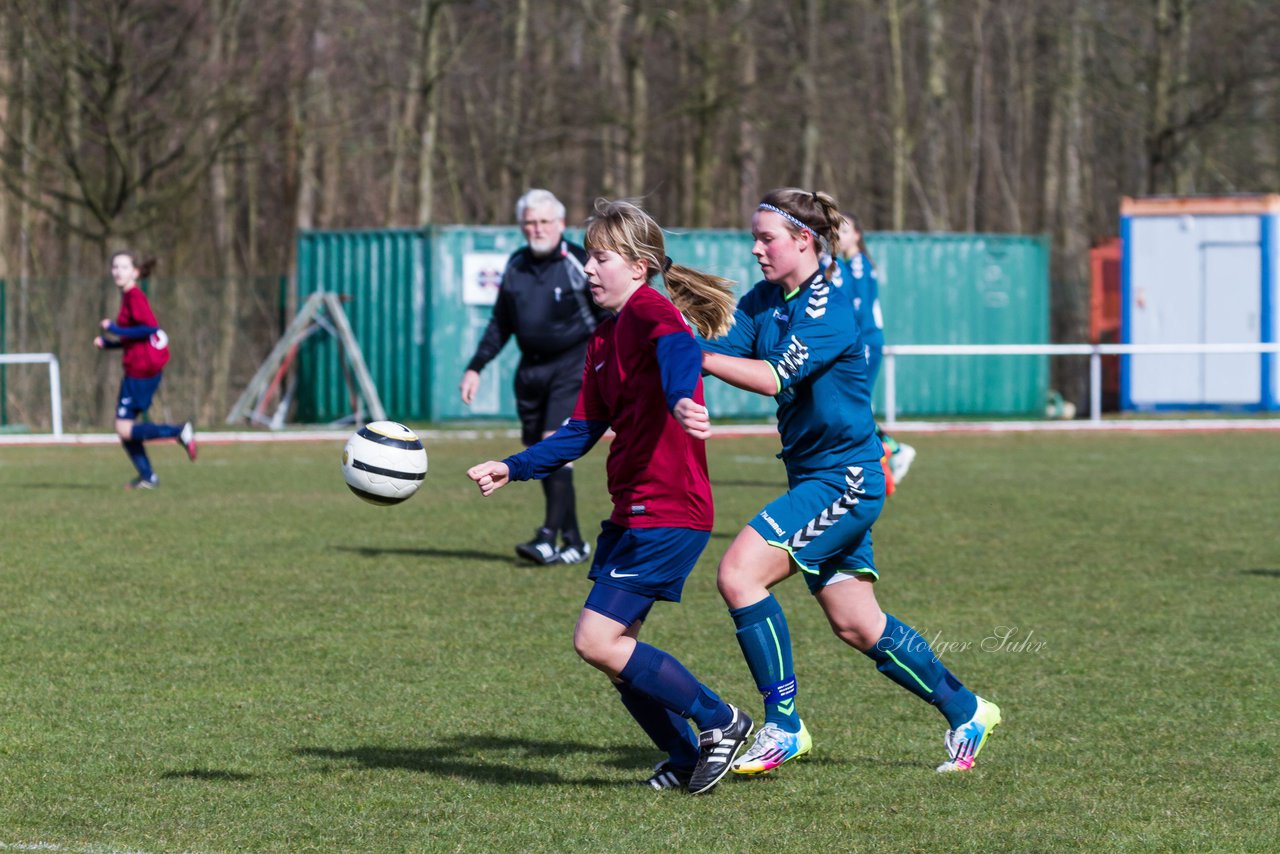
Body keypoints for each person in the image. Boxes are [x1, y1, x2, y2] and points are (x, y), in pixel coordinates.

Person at [699, 188, 1001, 776]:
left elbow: (768, 377)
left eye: (767, 238)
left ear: (803, 240)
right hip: (816, 475)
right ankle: (969, 710)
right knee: (858, 623)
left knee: (738, 574)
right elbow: (717, 348)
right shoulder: (765, 300)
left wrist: (693, 356)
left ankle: (784, 726)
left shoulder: (829, 308)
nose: (755, 248)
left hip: (847, 479)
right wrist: (672, 335)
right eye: (754, 237)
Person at [466, 199, 751, 795]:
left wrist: (680, 396)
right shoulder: (604, 340)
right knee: (616, 650)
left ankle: (720, 720)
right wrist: (512, 467)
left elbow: (678, 349)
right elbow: (579, 432)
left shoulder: (652, 312)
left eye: (601, 258)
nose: (589, 269)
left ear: (639, 266)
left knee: (595, 640)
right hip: (633, 512)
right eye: (589, 257)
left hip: (669, 510)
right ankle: (680, 756)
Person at [460, 189, 609, 566]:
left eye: (544, 221)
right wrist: (476, 366)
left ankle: (547, 537)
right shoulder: (515, 265)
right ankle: (573, 540)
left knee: (552, 444)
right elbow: (500, 324)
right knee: (542, 455)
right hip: (530, 371)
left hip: (575, 364)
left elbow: (609, 316)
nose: (537, 228)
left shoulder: (579, 262)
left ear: (560, 224)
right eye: (530, 221)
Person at [93, 251, 196, 489]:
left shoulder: (135, 296)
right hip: (135, 369)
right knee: (124, 430)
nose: (117, 271)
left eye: (124, 267)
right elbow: (136, 338)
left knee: (123, 427)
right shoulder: (128, 297)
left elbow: (150, 329)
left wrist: (115, 329)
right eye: (115, 266)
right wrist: (110, 344)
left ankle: (178, 431)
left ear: (135, 272)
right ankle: (148, 477)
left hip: (141, 371)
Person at [831, 212, 914, 487]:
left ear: (857, 235)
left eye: (843, 232)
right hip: (863, 340)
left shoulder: (856, 266)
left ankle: (893, 451)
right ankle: (877, 456)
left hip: (865, 341)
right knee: (852, 404)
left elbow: (858, 309)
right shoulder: (853, 264)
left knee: (854, 404)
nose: (837, 237)